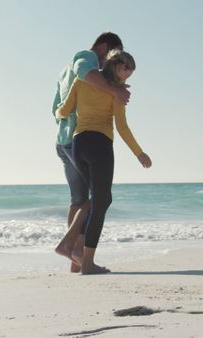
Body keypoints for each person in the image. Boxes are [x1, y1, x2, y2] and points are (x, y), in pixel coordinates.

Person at [55, 50, 152, 274]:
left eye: (131, 73)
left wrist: (58, 112)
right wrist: (140, 153)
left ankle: (68, 245)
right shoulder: (116, 93)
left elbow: (65, 110)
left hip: (79, 145)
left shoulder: (81, 83)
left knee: (97, 199)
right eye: (126, 69)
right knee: (101, 201)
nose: (128, 75)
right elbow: (122, 127)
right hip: (100, 145)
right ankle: (86, 263)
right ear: (115, 64)